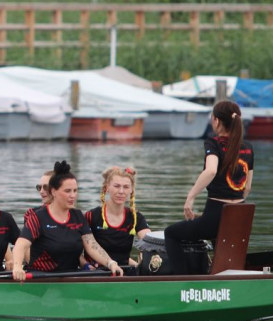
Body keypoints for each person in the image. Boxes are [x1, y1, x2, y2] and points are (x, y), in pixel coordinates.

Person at [164, 100, 253, 274]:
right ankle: (218, 274)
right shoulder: (248, 147)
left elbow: (211, 171)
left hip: (215, 216)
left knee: (171, 234)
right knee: (215, 234)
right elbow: (247, 187)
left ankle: (182, 283)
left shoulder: (214, 143)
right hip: (239, 216)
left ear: (217, 121)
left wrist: (190, 197)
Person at [12, 161, 125, 281]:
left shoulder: (77, 216)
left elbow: (92, 246)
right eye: (67, 191)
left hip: (72, 277)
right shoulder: (38, 217)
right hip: (42, 279)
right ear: (54, 191)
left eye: (75, 191)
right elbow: (20, 245)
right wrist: (17, 267)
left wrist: (111, 263)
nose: (73, 196)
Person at [85, 166, 151, 268]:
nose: (121, 191)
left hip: (124, 271)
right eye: (116, 186)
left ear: (131, 190)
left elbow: (150, 242)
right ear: (107, 188)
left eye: (126, 187)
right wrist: (85, 265)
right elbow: (75, 250)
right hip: (96, 272)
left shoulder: (136, 217)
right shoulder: (91, 216)